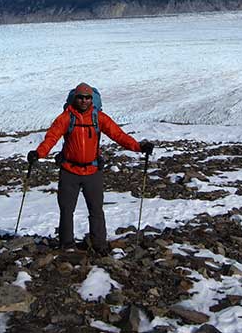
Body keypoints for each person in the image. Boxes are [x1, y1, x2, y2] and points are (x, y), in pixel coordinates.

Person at [27, 82, 154, 255]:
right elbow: (51, 138)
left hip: (91, 171)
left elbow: (118, 135)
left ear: (92, 99)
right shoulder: (66, 117)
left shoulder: (99, 118)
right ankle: (68, 245)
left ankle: (99, 245)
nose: (84, 100)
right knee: (67, 210)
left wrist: (139, 147)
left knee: (95, 209)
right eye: (80, 97)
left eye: (87, 97)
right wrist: (39, 153)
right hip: (70, 170)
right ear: (75, 98)